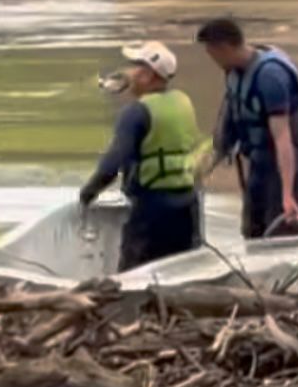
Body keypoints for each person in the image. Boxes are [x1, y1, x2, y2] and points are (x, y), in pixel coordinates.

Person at [79, 41, 204, 271]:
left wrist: (86, 194)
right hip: (188, 204)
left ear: (148, 75)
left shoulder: (136, 112)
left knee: (135, 275)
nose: (129, 72)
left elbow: (111, 165)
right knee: (182, 271)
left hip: (152, 209)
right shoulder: (183, 102)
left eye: (135, 66)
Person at [196, 16, 298, 238]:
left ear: (223, 48)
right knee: (253, 234)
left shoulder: (271, 77)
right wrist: (205, 168)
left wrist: (288, 194)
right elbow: (229, 125)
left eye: (211, 53)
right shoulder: (234, 74)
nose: (211, 60)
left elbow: (283, 138)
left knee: (283, 237)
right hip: (260, 168)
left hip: (290, 170)